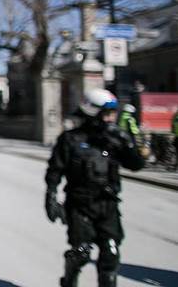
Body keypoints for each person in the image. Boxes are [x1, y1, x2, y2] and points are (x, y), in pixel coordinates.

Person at [45, 89, 144, 287]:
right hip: (79, 205)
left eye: (112, 114)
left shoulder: (114, 139)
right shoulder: (70, 139)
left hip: (107, 205)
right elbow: (55, 170)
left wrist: (128, 144)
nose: (111, 119)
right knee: (80, 252)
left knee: (110, 252)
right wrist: (51, 195)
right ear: (93, 112)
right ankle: (69, 281)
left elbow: (136, 165)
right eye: (107, 114)